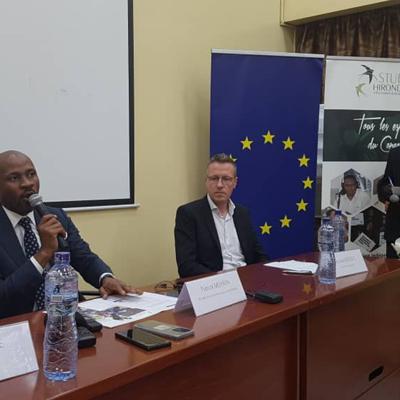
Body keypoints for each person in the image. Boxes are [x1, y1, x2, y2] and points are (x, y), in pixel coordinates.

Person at [0, 150, 141, 319]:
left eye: (31, 174)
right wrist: (44, 253)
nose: (27, 183)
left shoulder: (55, 216)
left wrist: (105, 278)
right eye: (14, 178)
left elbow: (83, 257)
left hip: (66, 317)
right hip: (17, 322)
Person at [174, 153, 266, 278]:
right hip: (213, 284)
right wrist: (224, 279)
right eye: (214, 178)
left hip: (247, 280)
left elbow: (258, 255)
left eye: (226, 179)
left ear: (235, 182)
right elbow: (186, 266)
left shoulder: (242, 213)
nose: (219, 185)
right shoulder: (188, 214)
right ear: (206, 181)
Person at [378, 146, 400, 258]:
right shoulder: (395, 153)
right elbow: (385, 181)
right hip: (396, 224)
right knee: (392, 265)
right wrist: (388, 192)